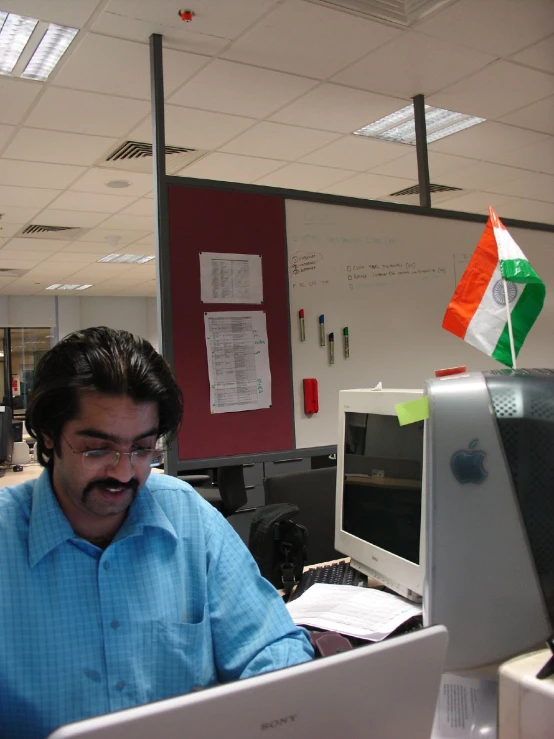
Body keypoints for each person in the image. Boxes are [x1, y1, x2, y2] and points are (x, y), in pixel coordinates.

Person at [0, 327, 313, 738]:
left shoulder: (188, 517)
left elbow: (273, 646)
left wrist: (266, 707)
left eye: (143, 449)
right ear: (48, 436)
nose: (124, 472)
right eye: (97, 449)